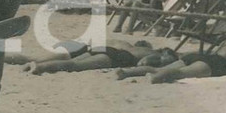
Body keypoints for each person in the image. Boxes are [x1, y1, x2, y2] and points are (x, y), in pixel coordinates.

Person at [28, 39, 159, 75]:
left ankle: (36, 64)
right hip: (119, 56)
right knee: (74, 66)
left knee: (72, 62)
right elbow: (143, 63)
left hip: (102, 48)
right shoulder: (152, 52)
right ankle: (40, 67)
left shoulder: (124, 43)